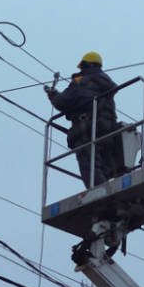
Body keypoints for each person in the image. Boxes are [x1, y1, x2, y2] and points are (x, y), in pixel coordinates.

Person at [45, 51, 119, 188]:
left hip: (89, 130)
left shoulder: (80, 81)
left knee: (90, 167)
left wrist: (53, 96)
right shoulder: (105, 82)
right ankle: (108, 192)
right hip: (108, 132)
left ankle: (101, 196)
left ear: (86, 65)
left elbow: (63, 102)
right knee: (103, 168)